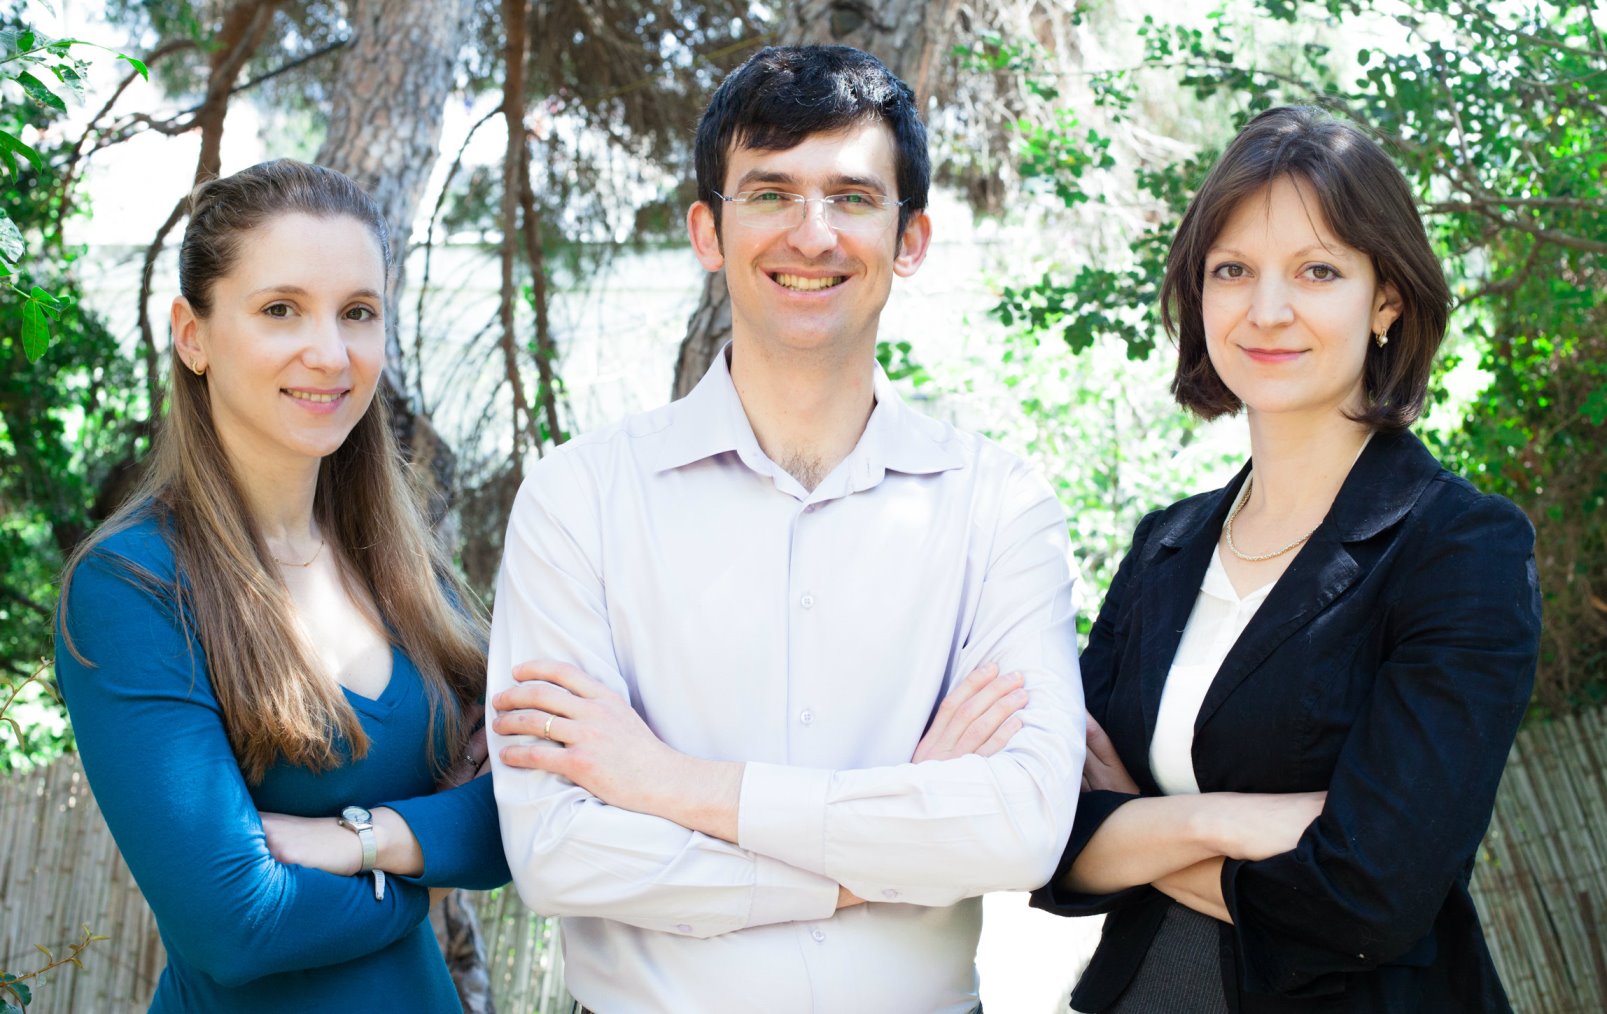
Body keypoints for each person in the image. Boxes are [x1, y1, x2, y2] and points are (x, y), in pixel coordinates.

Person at [485, 45, 1084, 1013]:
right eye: (769, 194)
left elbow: (1018, 830)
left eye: (851, 198)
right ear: (707, 232)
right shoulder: (577, 499)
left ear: (910, 239)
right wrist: (873, 856)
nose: (812, 235)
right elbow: (558, 853)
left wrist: (666, 783)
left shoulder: (997, 505)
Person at [1028, 106, 1542, 1012]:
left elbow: (1370, 893)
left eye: (1317, 271)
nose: (1266, 311)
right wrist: (1222, 820)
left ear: (1385, 300)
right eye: (1232, 270)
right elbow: (1049, 836)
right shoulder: (1163, 547)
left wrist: (1138, 828)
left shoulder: (1460, 548)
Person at [55, 160, 509, 1012]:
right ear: (192, 335)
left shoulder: (402, 569)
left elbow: (528, 811)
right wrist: (427, 867)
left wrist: (364, 841)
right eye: (280, 310)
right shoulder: (132, 586)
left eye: (358, 313)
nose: (330, 354)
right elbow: (236, 927)